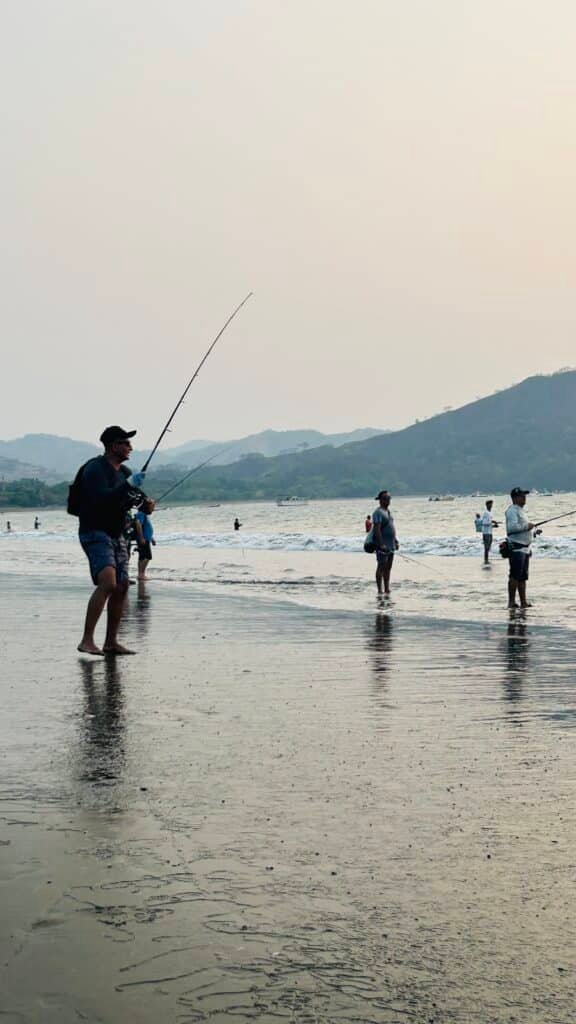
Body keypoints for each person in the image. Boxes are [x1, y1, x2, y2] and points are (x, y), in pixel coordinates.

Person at [74, 425, 154, 655]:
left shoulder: (125, 472)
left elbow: (136, 500)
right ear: (113, 446)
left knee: (120, 587)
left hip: (117, 532)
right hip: (94, 531)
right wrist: (128, 485)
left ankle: (111, 642)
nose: (130, 447)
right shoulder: (95, 469)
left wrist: (146, 505)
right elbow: (101, 498)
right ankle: (87, 640)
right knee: (108, 582)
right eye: (125, 443)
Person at [505, 487, 537, 610]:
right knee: (514, 576)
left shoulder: (521, 511)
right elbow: (511, 529)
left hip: (525, 548)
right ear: (514, 498)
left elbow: (522, 527)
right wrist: (527, 526)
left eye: (524, 495)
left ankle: (523, 602)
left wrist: (532, 530)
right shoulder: (512, 511)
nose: (524, 498)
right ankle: (511, 602)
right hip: (516, 548)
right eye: (521, 496)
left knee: (523, 577)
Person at [370, 489, 399, 597]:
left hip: (391, 545)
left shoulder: (388, 512)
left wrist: (395, 540)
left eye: (389, 498)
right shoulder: (378, 512)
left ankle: (387, 588)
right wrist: (381, 544)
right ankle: (380, 590)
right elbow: (377, 529)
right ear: (380, 500)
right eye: (386, 498)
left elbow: (392, 528)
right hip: (382, 545)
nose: (388, 500)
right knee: (381, 567)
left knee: (388, 568)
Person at [134, 505, 155, 580]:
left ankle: (141, 574)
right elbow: (138, 524)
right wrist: (141, 537)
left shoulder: (143, 514)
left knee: (142, 557)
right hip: (143, 539)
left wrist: (152, 538)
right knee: (147, 557)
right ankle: (141, 574)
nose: (153, 508)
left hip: (146, 538)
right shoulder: (141, 514)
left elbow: (146, 528)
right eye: (152, 506)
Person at [480, 499, 499, 564]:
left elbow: (489, 523)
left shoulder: (490, 513)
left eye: (492, 504)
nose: (491, 505)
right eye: (490, 504)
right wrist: (493, 522)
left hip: (490, 532)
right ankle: (486, 559)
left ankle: (487, 558)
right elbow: (484, 523)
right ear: (487, 505)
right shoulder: (486, 513)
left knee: (489, 546)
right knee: (486, 547)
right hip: (486, 533)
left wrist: (494, 525)